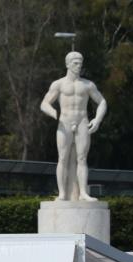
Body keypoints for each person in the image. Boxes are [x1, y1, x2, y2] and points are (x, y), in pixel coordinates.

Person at [40, 51, 107, 202]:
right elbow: (44, 103)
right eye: (75, 63)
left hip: (82, 121)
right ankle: (62, 193)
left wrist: (97, 119)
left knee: (82, 158)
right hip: (65, 123)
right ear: (67, 64)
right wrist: (53, 113)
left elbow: (102, 102)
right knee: (62, 158)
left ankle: (83, 192)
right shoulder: (59, 84)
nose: (79, 66)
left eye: (80, 63)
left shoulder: (88, 85)